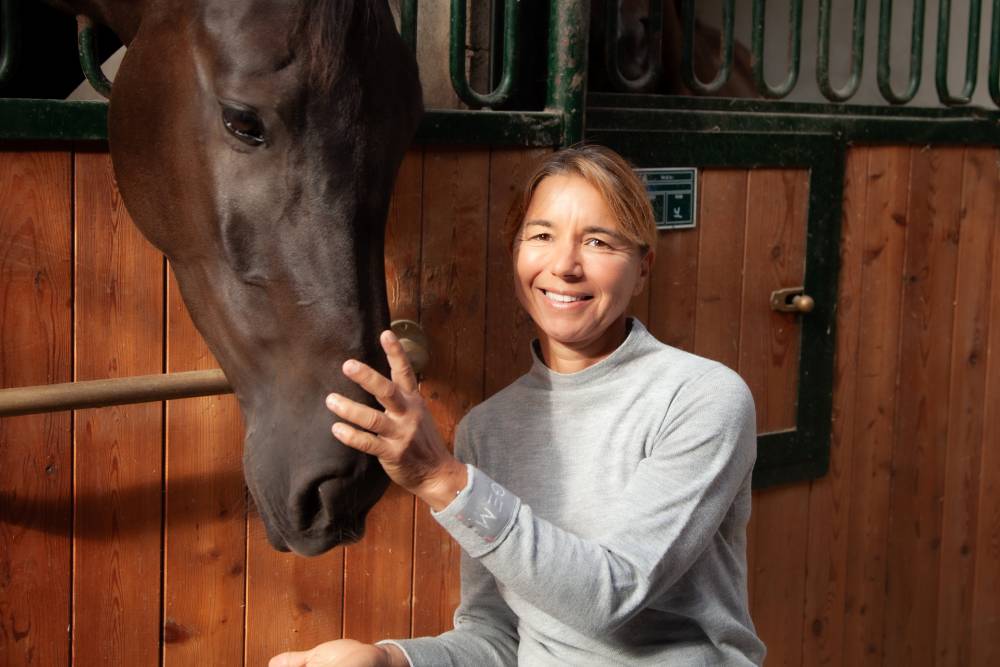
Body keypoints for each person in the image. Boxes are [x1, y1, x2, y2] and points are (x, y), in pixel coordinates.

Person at [270, 145, 765, 666]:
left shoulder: (701, 397)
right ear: (516, 253)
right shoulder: (488, 428)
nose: (565, 265)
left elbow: (613, 594)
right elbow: (499, 637)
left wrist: (444, 481)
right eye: (542, 236)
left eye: (598, 241)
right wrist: (389, 660)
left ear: (643, 269)